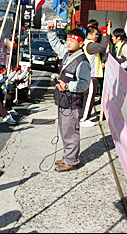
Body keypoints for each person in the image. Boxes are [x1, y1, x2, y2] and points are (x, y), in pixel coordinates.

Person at [47, 22, 91, 172]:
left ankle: (71, 160)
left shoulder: (82, 62)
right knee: (64, 130)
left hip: (73, 102)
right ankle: (67, 156)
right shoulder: (67, 53)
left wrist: (68, 86)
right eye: (67, 40)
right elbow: (56, 45)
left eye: (72, 41)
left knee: (70, 131)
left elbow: (84, 84)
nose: (68, 43)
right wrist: (51, 33)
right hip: (64, 101)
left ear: (81, 43)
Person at [80, 25, 109, 127]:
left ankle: (84, 116)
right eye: (96, 34)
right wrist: (105, 34)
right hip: (91, 75)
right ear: (89, 34)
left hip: (92, 74)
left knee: (89, 97)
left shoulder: (89, 44)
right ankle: (84, 118)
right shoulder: (89, 45)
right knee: (89, 98)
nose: (97, 36)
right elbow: (102, 47)